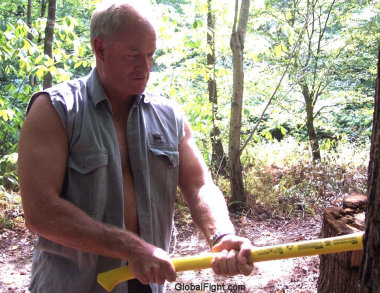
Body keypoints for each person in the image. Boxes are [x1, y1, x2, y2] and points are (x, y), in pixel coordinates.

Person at [18, 1, 254, 292]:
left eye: (151, 54)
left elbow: (199, 185)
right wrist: (130, 247)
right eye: (133, 55)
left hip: (149, 285)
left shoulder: (169, 117)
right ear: (100, 49)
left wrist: (221, 235)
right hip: (73, 285)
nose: (146, 67)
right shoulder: (55, 110)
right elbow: (40, 210)